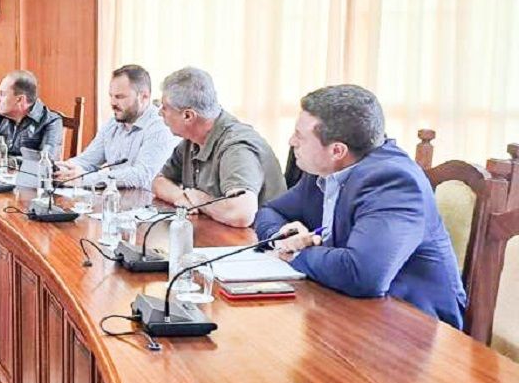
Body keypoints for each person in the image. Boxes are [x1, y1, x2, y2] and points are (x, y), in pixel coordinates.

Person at [254, 85, 466, 328]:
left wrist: (297, 253)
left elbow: (363, 275)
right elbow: (270, 211)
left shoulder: (393, 182)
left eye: (300, 136)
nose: (292, 142)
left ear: (337, 150)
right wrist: (282, 237)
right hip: (346, 307)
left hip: (413, 326)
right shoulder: (322, 170)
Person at [152, 67, 285, 227]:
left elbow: (241, 213)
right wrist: (181, 197)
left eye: (165, 108)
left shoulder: (236, 147)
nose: (160, 113)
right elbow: (159, 181)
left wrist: (200, 200)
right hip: (218, 236)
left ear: (188, 116)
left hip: (260, 243)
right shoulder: (191, 140)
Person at [53, 64, 176, 190]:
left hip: (148, 204)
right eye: (111, 96)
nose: (112, 103)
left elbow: (141, 176)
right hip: (116, 201)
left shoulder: (161, 126)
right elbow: (87, 160)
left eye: (120, 97)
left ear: (144, 96)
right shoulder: (113, 123)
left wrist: (84, 179)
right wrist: (61, 169)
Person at [0, 70, 64, 169]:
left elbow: (47, 163)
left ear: (20, 99)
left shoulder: (51, 121)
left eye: (2, 94)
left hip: (28, 183)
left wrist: (2, 161)